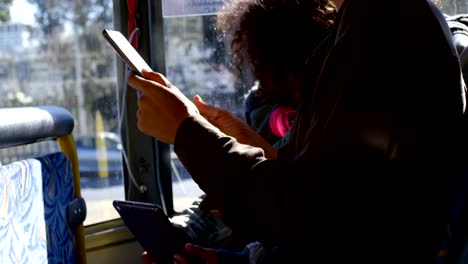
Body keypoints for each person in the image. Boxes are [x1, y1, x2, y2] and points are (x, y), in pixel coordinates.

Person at [130, 0, 466, 262]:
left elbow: (307, 213)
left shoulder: (386, 25)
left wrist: (186, 131)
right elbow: (325, 196)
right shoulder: (360, 25)